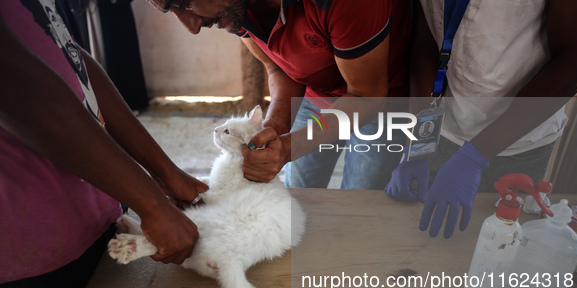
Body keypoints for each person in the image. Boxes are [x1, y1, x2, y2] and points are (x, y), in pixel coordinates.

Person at [0, 0, 209, 288]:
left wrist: (164, 171)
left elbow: (69, 54)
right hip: (34, 244)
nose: (193, 25)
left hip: (92, 215)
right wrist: (152, 202)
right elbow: (15, 86)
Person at [145, 0, 413, 189]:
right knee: (299, 193)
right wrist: (276, 127)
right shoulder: (234, 8)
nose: (191, 26)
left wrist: (290, 145)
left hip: (379, 102)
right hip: (315, 94)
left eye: (183, 2)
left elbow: (366, 95)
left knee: (358, 205)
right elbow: (278, 66)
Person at [385, 0, 577, 238]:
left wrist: (475, 156)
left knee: (498, 248)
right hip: (444, 128)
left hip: (516, 144)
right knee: (418, 242)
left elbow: (574, 57)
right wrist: (420, 143)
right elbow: (428, 41)